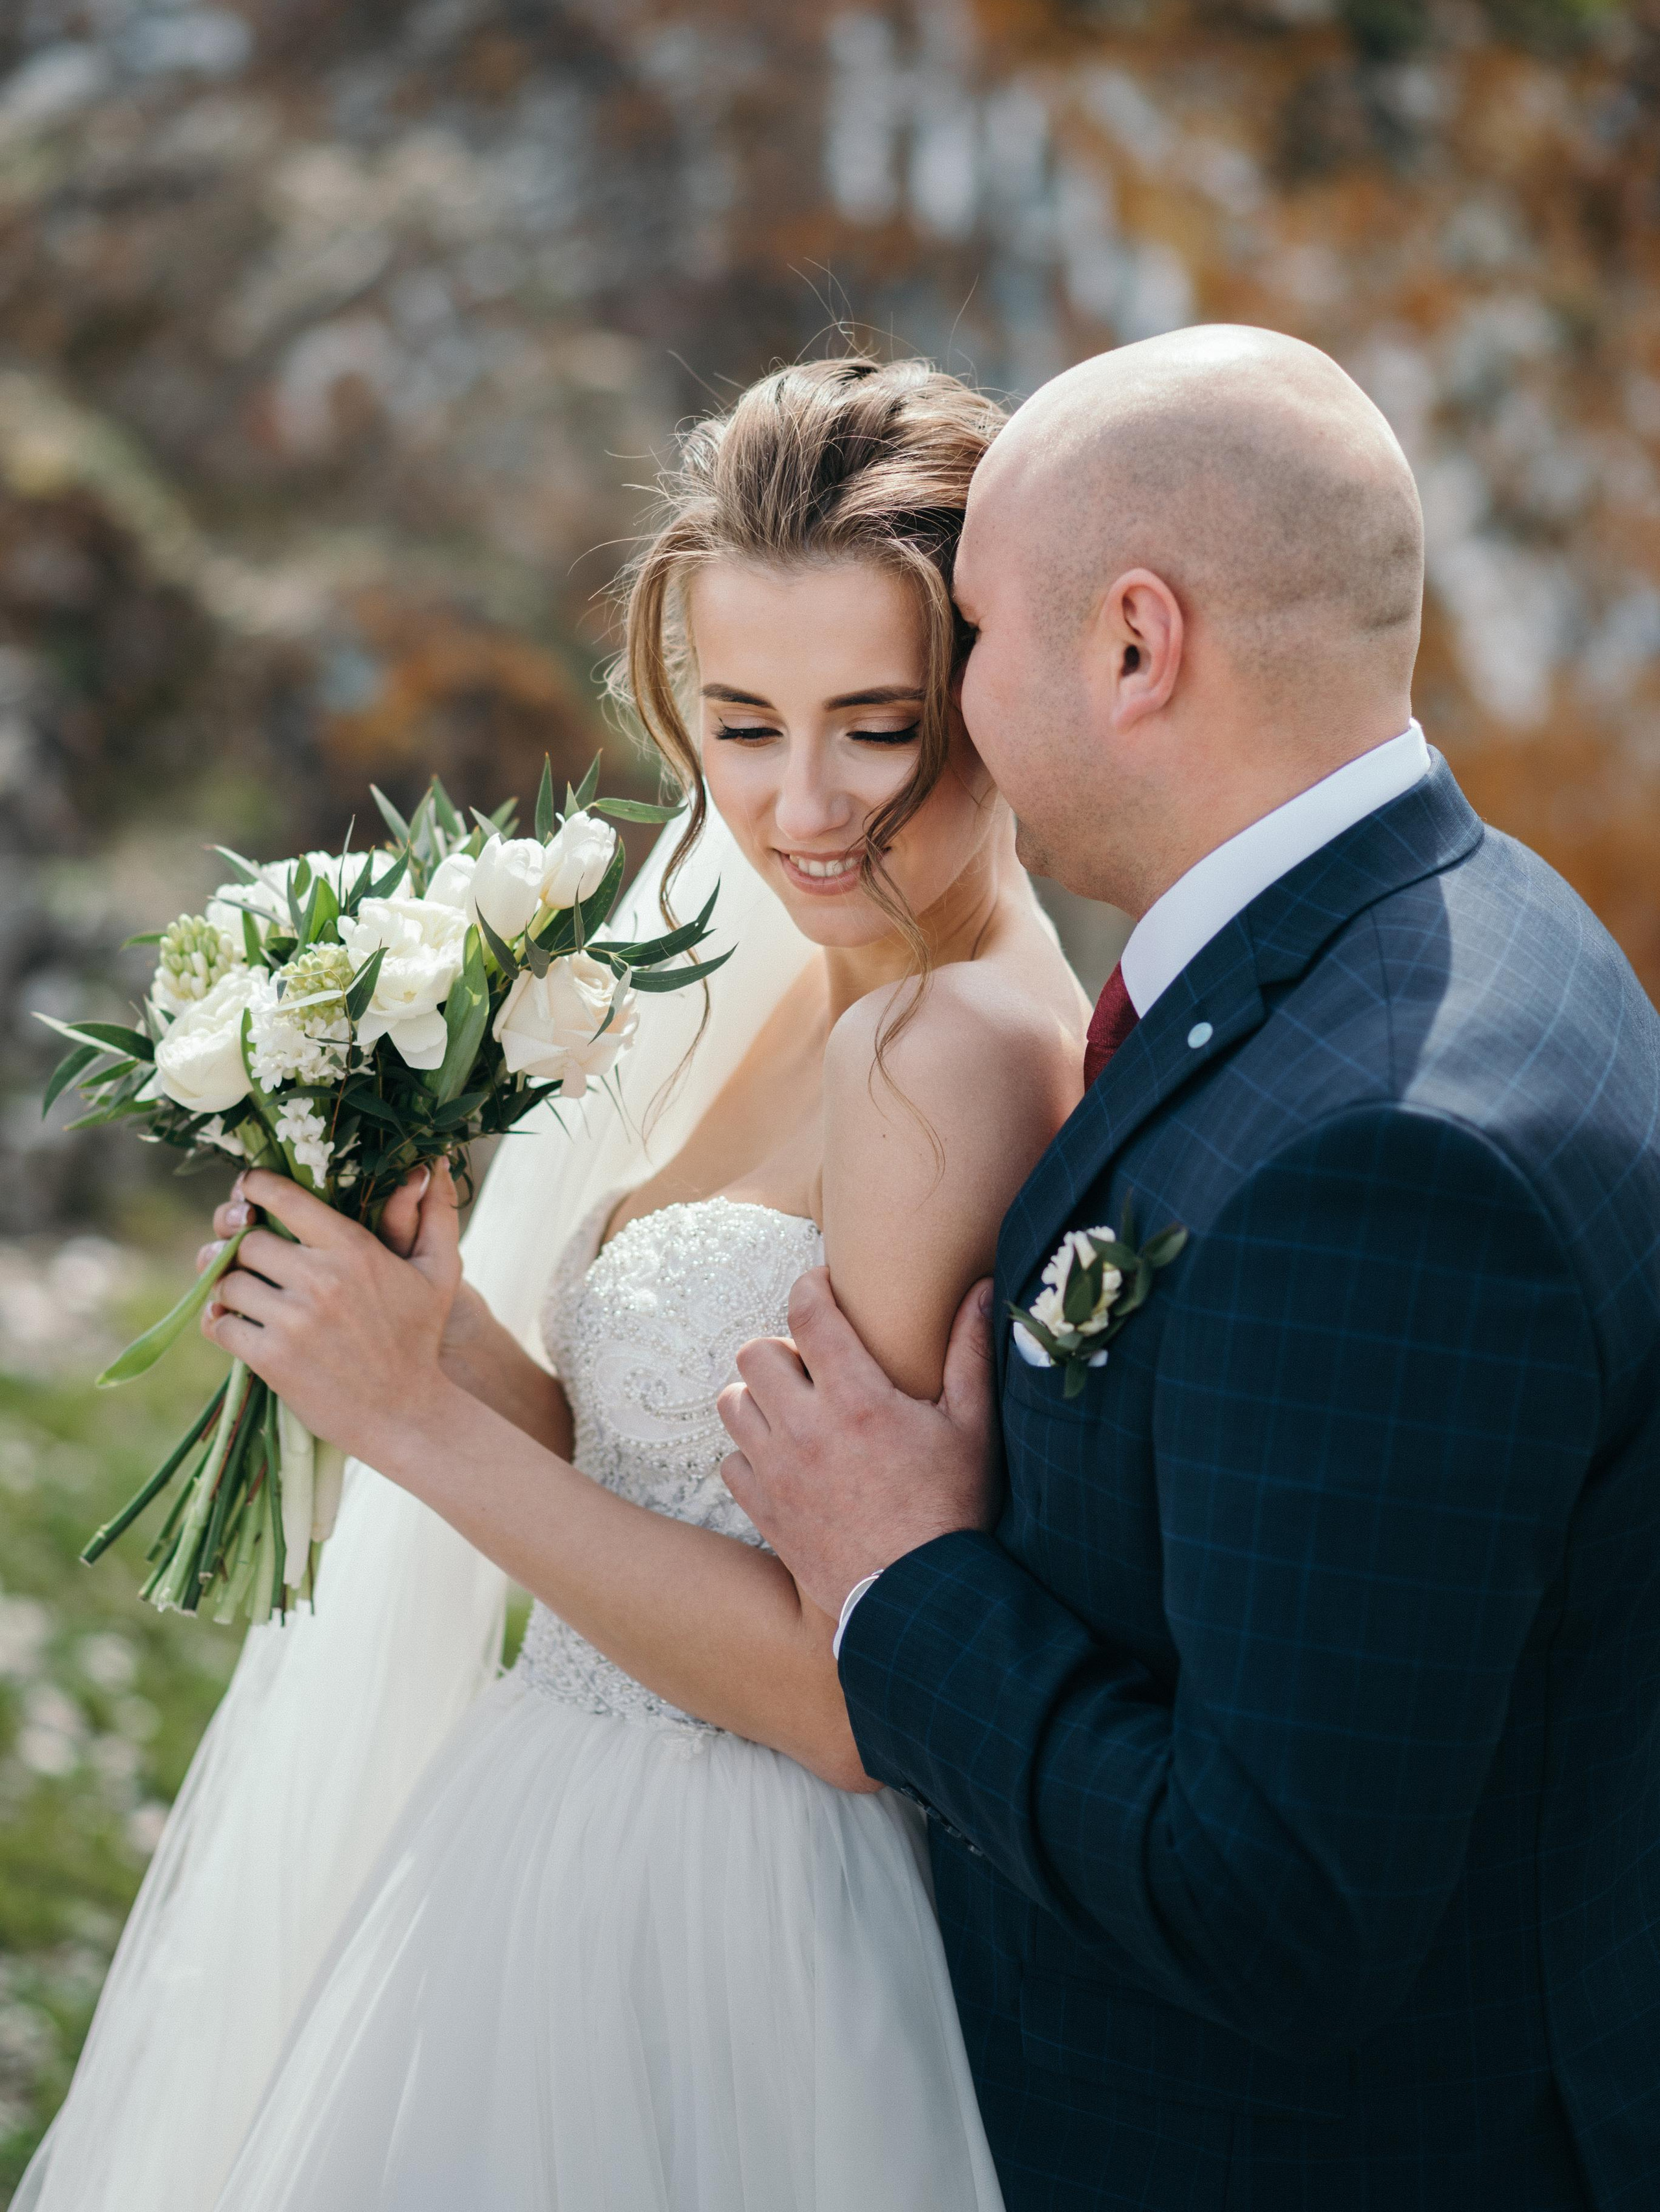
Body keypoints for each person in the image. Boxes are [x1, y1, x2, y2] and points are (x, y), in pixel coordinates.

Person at [22, 353, 1090, 2212]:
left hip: (735, 1911)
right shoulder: (811, 982)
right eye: (744, 723)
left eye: (877, 721)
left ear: (991, 693)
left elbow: (848, 1692)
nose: (799, 806)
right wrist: (430, 1324)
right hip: (567, 1838)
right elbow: (644, 1467)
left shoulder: (948, 1057)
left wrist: (414, 1420)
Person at [722, 325, 1660, 2209]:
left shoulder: (1387, 1158)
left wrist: (904, 1582)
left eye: (971, 638)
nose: (954, 709)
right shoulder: (1476, 916)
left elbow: (1278, 1906)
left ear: (1137, 645)